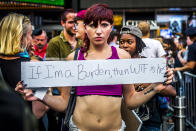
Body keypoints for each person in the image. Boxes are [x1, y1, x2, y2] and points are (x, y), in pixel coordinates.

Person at [16, 4, 173, 131]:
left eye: (104, 25)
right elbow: (63, 103)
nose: (98, 31)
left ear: (111, 27)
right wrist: (38, 93)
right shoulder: (74, 58)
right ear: (85, 27)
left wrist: (155, 87)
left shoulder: (122, 57)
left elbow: (131, 101)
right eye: (92, 25)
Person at [119, 25, 176, 131]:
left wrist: (147, 83)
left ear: (139, 43)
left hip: (149, 120)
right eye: (121, 42)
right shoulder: (114, 64)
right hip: (122, 121)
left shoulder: (151, 65)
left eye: (129, 42)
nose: (125, 45)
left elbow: (172, 91)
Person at [0, 13, 48, 131]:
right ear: (21, 38)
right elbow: (39, 111)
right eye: (31, 35)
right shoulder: (34, 66)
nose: (33, 40)